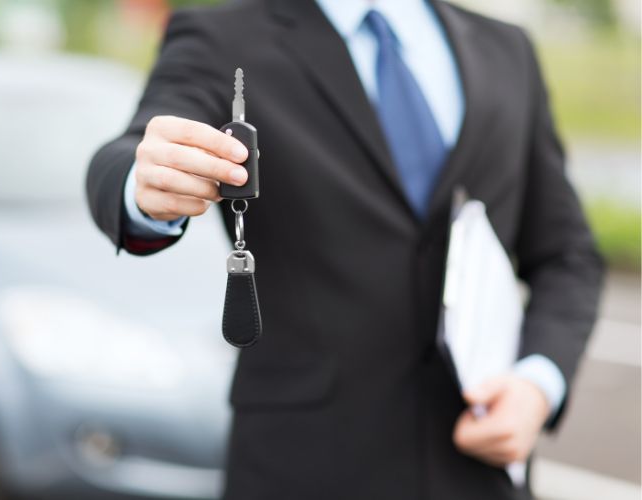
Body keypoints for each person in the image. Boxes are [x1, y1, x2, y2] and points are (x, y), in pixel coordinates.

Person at [86, 0, 604, 498]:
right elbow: (125, 157)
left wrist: (537, 385)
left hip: (478, 464)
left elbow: (567, 254)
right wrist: (142, 184)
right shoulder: (221, 38)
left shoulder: (507, 47)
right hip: (305, 468)